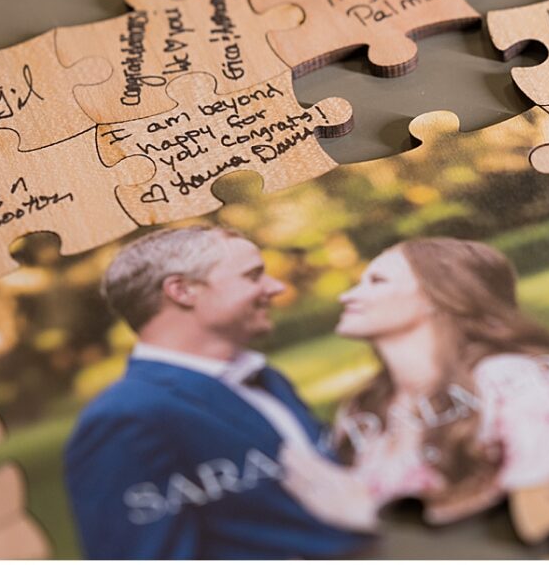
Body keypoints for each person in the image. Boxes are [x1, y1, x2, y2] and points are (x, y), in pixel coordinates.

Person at [63, 225, 372, 559]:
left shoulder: (267, 379)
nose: (276, 287)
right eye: (253, 276)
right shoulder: (124, 418)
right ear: (183, 290)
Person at [280, 237, 549, 529]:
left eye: (376, 281)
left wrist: (372, 519)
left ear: (436, 297)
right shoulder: (363, 410)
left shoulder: (510, 382)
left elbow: (548, 508)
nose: (347, 296)